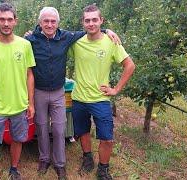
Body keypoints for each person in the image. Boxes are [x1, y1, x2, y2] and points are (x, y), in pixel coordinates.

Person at [24, 7, 120, 180]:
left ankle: (60, 165)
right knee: (42, 127)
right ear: (40, 23)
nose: (49, 24)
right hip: (38, 91)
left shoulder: (66, 37)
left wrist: (106, 30)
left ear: (58, 23)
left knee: (60, 129)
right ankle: (45, 159)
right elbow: (13, 44)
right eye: (46, 21)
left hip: (58, 91)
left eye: (53, 21)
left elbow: (90, 30)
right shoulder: (31, 40)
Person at [68, 4, 135, 180]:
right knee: (82, 131)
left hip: (101, 100)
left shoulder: (111, 42)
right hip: (79, 98)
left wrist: (116, 89)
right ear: (83, 22)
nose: (91, 23)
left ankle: (103, 169)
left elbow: (130, 65)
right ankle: (88, 158)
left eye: (94, 20)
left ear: (101, 21)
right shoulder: (76, 42)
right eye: (87, 20)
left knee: (107, 137)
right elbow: (54, 37)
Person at [0, 3, 35, 180]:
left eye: (9, 19)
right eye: (2, 19)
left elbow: (29, 75)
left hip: (19, 104)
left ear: (15, 21)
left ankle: (14, 168)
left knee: (18, 139)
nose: (6, 23)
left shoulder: (25, 45)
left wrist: (31, 103)